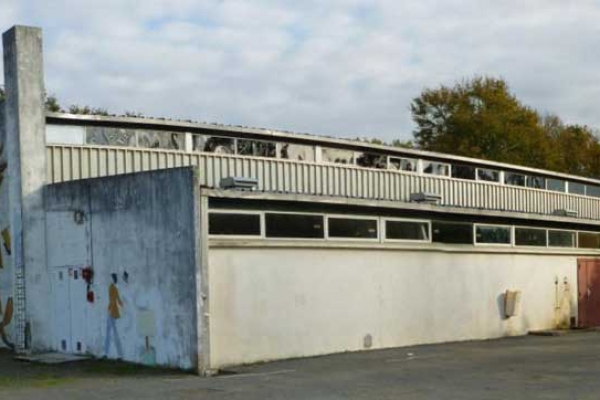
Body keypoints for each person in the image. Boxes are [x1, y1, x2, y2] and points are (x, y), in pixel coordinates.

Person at [104, 273, 123, 359]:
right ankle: (108, 353)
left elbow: (116, 300)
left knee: (112, 333)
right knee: (111, 332)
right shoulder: (113, 287)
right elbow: (117, 299)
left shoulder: (112, 287)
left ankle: (117, 354)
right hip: (112, 311)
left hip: (112, 312)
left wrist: (110, 309)